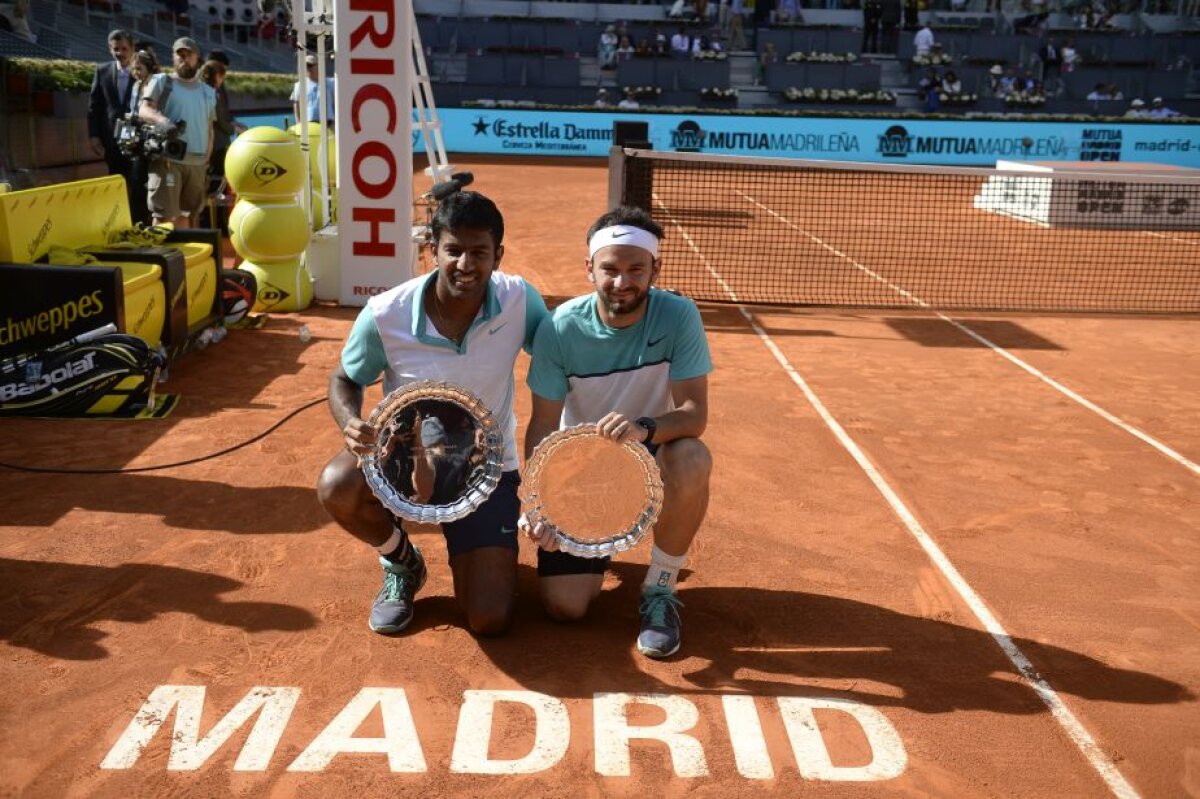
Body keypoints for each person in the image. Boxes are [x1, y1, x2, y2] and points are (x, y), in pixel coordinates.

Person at [317, 190, 549, 637]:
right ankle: (402, 562)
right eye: (453, 250)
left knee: (489, 618)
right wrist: (350, 421)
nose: (466, 263)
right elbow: (344, 379)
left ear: (497, 256)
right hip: (405, 459)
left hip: (487, 470)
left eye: (479, 252)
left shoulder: (520, 302)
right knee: (337, 485)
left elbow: (561, 362)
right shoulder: (386, 314)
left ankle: (480, 551)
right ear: (431, 251)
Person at [522, 205, 713, 660]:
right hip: (582, 472)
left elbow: (693, 414)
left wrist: (644, 428)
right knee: (566, 608)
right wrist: (537, 501)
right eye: (610, 269)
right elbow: (544, 426)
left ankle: (660, 590)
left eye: (635, 269)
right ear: (590, 268)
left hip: (651, 454)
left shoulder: (678, 316)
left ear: (655, 269)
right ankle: (599, 539)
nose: (622, 282)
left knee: (692, 457)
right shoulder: (560, 328)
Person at [137, 37, 217, 229]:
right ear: (173, 57)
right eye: (180, 55)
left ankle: (186, 258)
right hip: (169, 159)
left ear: (197, 58)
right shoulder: (161, 81)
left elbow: (209, 127)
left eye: (189, 55)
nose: (184, 59)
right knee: (163, 215)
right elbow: (144, 110)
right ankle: (160, 257)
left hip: (197, 163)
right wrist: (163, 122)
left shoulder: (208, 91)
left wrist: (206, 159)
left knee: (189, 216)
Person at [88, 30, 137, 218]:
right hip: (111, 139)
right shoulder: (102, 71)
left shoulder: (142, 71)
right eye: (116, 49)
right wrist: (93, 136)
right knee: (117, 180)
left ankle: (138, 220)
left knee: (136, 181)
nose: (121, 53)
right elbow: (94, 106)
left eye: (124, 48)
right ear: (110, 49)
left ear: (132, 49)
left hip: (136, 137)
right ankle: (121, 219)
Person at [291, 53, 336, 127]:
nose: (308, 68)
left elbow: (335, 102)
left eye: (310, 65)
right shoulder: (299, 85)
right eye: (305, 66)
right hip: (309, 123)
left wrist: (335, 122)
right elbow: (296, 105)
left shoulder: (331, 83)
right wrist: (298, 123)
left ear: (319, 66)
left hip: (328, 122)